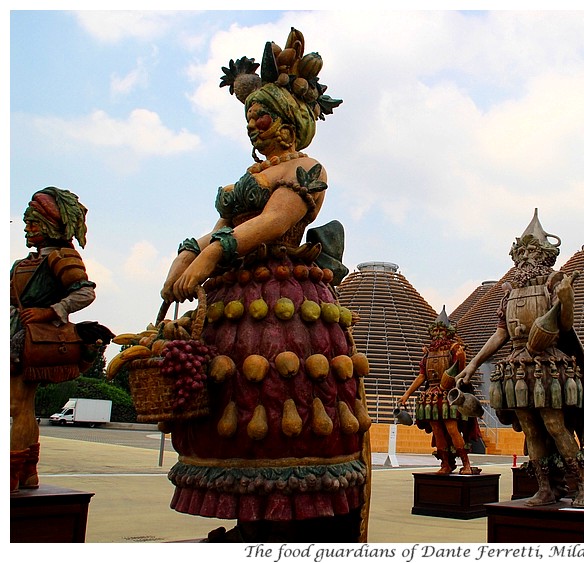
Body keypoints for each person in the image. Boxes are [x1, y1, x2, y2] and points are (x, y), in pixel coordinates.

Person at [158, 30, 370, 542]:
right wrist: (183, 259)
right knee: (233, 395)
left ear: (289, 120)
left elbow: (276, 220)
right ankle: (249, 519)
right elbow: (219, 227)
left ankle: (296, 523)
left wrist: (212, 254)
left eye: (263, 114)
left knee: (280, 396)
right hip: (237, 293)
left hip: (283, 296)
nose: (254, 124)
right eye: (249, 117)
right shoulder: (251, 174)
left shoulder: (306, 170)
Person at [455, 209, 584, 508]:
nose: (525, 259)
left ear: (545, 256)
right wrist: (472, 365)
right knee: (532, 430)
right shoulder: (510, 293)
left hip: (548, 365)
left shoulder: (554, 285)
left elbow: (563, 325)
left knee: (555, 426)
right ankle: (545, 487)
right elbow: (501, 334)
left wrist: (566, 299)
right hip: (517, 366)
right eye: (521, 253)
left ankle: (583, 486)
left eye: (532, 252)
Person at [10, 187, 111, 492]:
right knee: (21, 405)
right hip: (16, 332)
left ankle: (14, 468)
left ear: (51, 225)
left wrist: (49, 312)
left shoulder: (61, 255)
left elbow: (85, 292)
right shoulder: (28, 261)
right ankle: (27, 469)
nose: (28, 229)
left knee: (18, 404)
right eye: (27, 223)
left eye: (34, 223)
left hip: (29, 340)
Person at [399, 307, 480, 475]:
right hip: (431, 396)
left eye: (440, 330)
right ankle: (445, 463)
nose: (437, 334)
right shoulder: (427, 354)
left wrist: (462, 358)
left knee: (452, 428)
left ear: (447, 332)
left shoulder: (453, 349)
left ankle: (466, 463)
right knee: (437, 429)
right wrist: (407, 394)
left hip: (449, 393)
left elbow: (460, 371)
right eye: (435, 330)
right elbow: (422, 376)